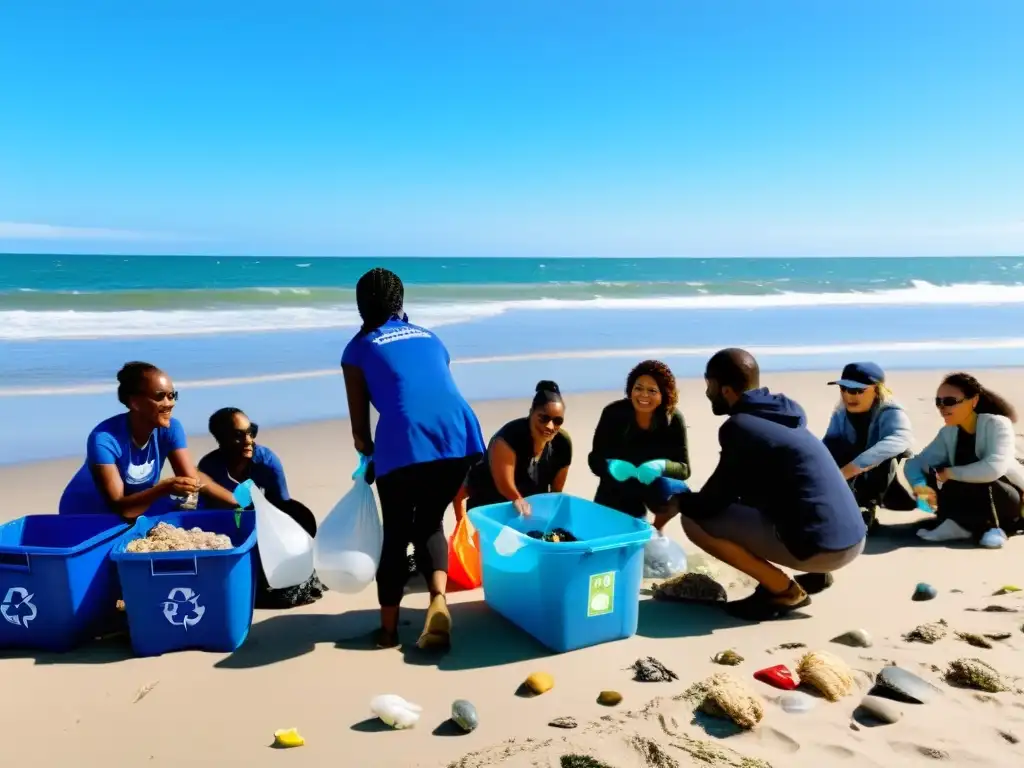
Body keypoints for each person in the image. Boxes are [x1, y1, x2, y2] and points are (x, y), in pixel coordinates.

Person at [658, 349, 866, 621]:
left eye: (709, 386)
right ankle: (816, 575)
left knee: (694, 522)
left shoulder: (740, 427)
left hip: (824, 550)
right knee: (772, 492)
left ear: (727, 390)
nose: (708, 393)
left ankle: (783, 591)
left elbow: (711, 504)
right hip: (853, 538)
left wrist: (677, 502)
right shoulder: (783, 415)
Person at [341, 267, 485, 650]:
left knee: (397, 534)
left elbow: (360, 431)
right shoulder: (430, 336)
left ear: (360, 305)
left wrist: (368, 457)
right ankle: (437, 600)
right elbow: (433, 388)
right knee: (431, 523)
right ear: (400, 303)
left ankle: (388, 632)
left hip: (406, 439)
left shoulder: (356, 349)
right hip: (460, 435)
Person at [59, 362, 237, 518]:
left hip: (137, 505)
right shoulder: (104, 439)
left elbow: (191, 479)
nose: (170, 403)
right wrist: (164, 488)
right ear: (135, 402)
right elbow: (121, 508)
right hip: (88, 513)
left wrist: (237, 502)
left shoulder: (170, 429)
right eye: (160, 396)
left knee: (205, 505)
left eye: (172, 395)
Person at [197, 407, 325, 608]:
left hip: (262, 530)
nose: (248, 440)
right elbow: (203, 518)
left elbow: (284, 508)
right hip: (225, 534)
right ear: (221, 439)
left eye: (251, 432)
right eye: (238, 435)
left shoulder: (267, 462)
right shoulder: (209, 467)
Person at [905, 372, 1024, 548]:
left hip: (1006, 500)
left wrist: (950, 473)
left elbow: (993, 469)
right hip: (970, 502)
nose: (942, 407)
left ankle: (993, 529)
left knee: (980, 476)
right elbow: (915, 463)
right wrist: (921, 488)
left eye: (950, 401)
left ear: (974, 401)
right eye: (939, 402)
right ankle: (956, 525)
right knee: (934, 473)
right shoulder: (949, 432)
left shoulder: (997, 424)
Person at [588, 360, 690, 527]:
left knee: (677, 493)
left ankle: (657, 528)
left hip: (652, 485)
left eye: (652, 391)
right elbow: (594, 459)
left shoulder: (673, 419)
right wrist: (610, 466)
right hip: (615, 486)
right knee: (607, 533)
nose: (644, 395)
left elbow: (684, 469)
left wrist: (662, 466)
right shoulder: (613, 413)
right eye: (639, 388)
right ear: (630, 389)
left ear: (663, 394)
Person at [454, 381, 571, 519]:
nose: (550, 426)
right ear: (531, 412)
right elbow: (503, 487)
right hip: (487, 512)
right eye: (544, 418)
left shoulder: (562, 444)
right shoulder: (508, 438)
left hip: (525, 515)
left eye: (557, 421)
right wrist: (460, 522)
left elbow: (555, 495)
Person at [822, 362, 917, 530]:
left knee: (885, 454)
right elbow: (827, 445)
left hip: (887, 480)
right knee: (829, 449)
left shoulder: (891, 411)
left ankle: (867, 507)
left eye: (857, 390)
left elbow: (900, 439)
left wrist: (847, 471)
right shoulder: (840, 413)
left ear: (877, 389)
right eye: (843, 389)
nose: (849, 396)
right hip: (849, 479)